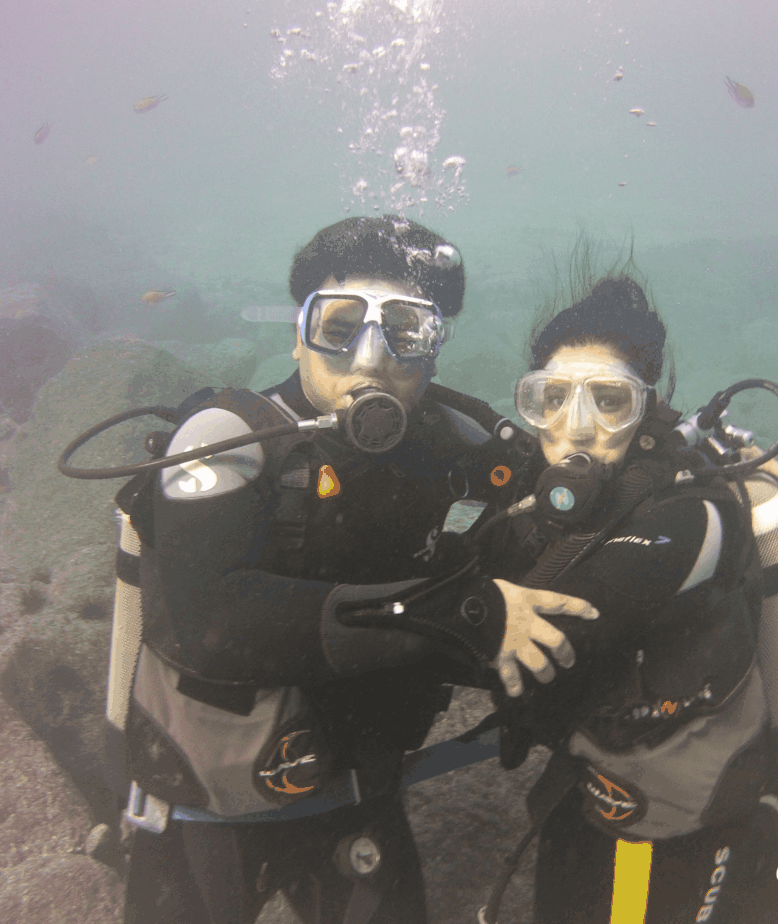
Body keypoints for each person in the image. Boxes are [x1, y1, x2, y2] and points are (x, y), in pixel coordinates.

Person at [107, 216, 597, 924]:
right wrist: (465, 613)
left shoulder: (450, 439)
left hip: (357, 793)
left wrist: (685, 453)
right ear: (297, 333)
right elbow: (210, 622)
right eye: (339, 326)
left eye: (405, 330)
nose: (369, 359)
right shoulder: (227, 439)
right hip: (203, 808)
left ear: (435, 346)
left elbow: (573, 480)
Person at [472, 263, 778, 924]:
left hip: (685, 831)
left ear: (646, 407)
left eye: (609, 400)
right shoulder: (548, 494)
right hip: (588, 796)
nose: (576, 426)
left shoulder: (691, 514)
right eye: (552, 398)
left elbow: (581, 615)